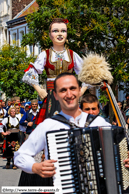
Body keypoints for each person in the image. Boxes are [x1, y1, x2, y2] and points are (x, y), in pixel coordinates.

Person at [14, 73, 110, 182]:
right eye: (63, 90)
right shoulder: (48, 126)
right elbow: (19, 156)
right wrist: (36, 167)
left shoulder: (99, 123)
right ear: (55, 95)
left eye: (72, 88)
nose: (69, 95)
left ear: (79, 91)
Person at [22, 18, 87, 125]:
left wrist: (82, 90)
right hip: (52, 96)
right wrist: (39, 89)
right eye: (55, 31)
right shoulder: (45, 54)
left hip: (70, 96)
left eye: (63, 31)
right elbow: (30, 72)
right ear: (49, 35)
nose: (60, 34)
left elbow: (87, 74)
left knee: (72, 124)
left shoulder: (72, 54)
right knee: (50, 125)